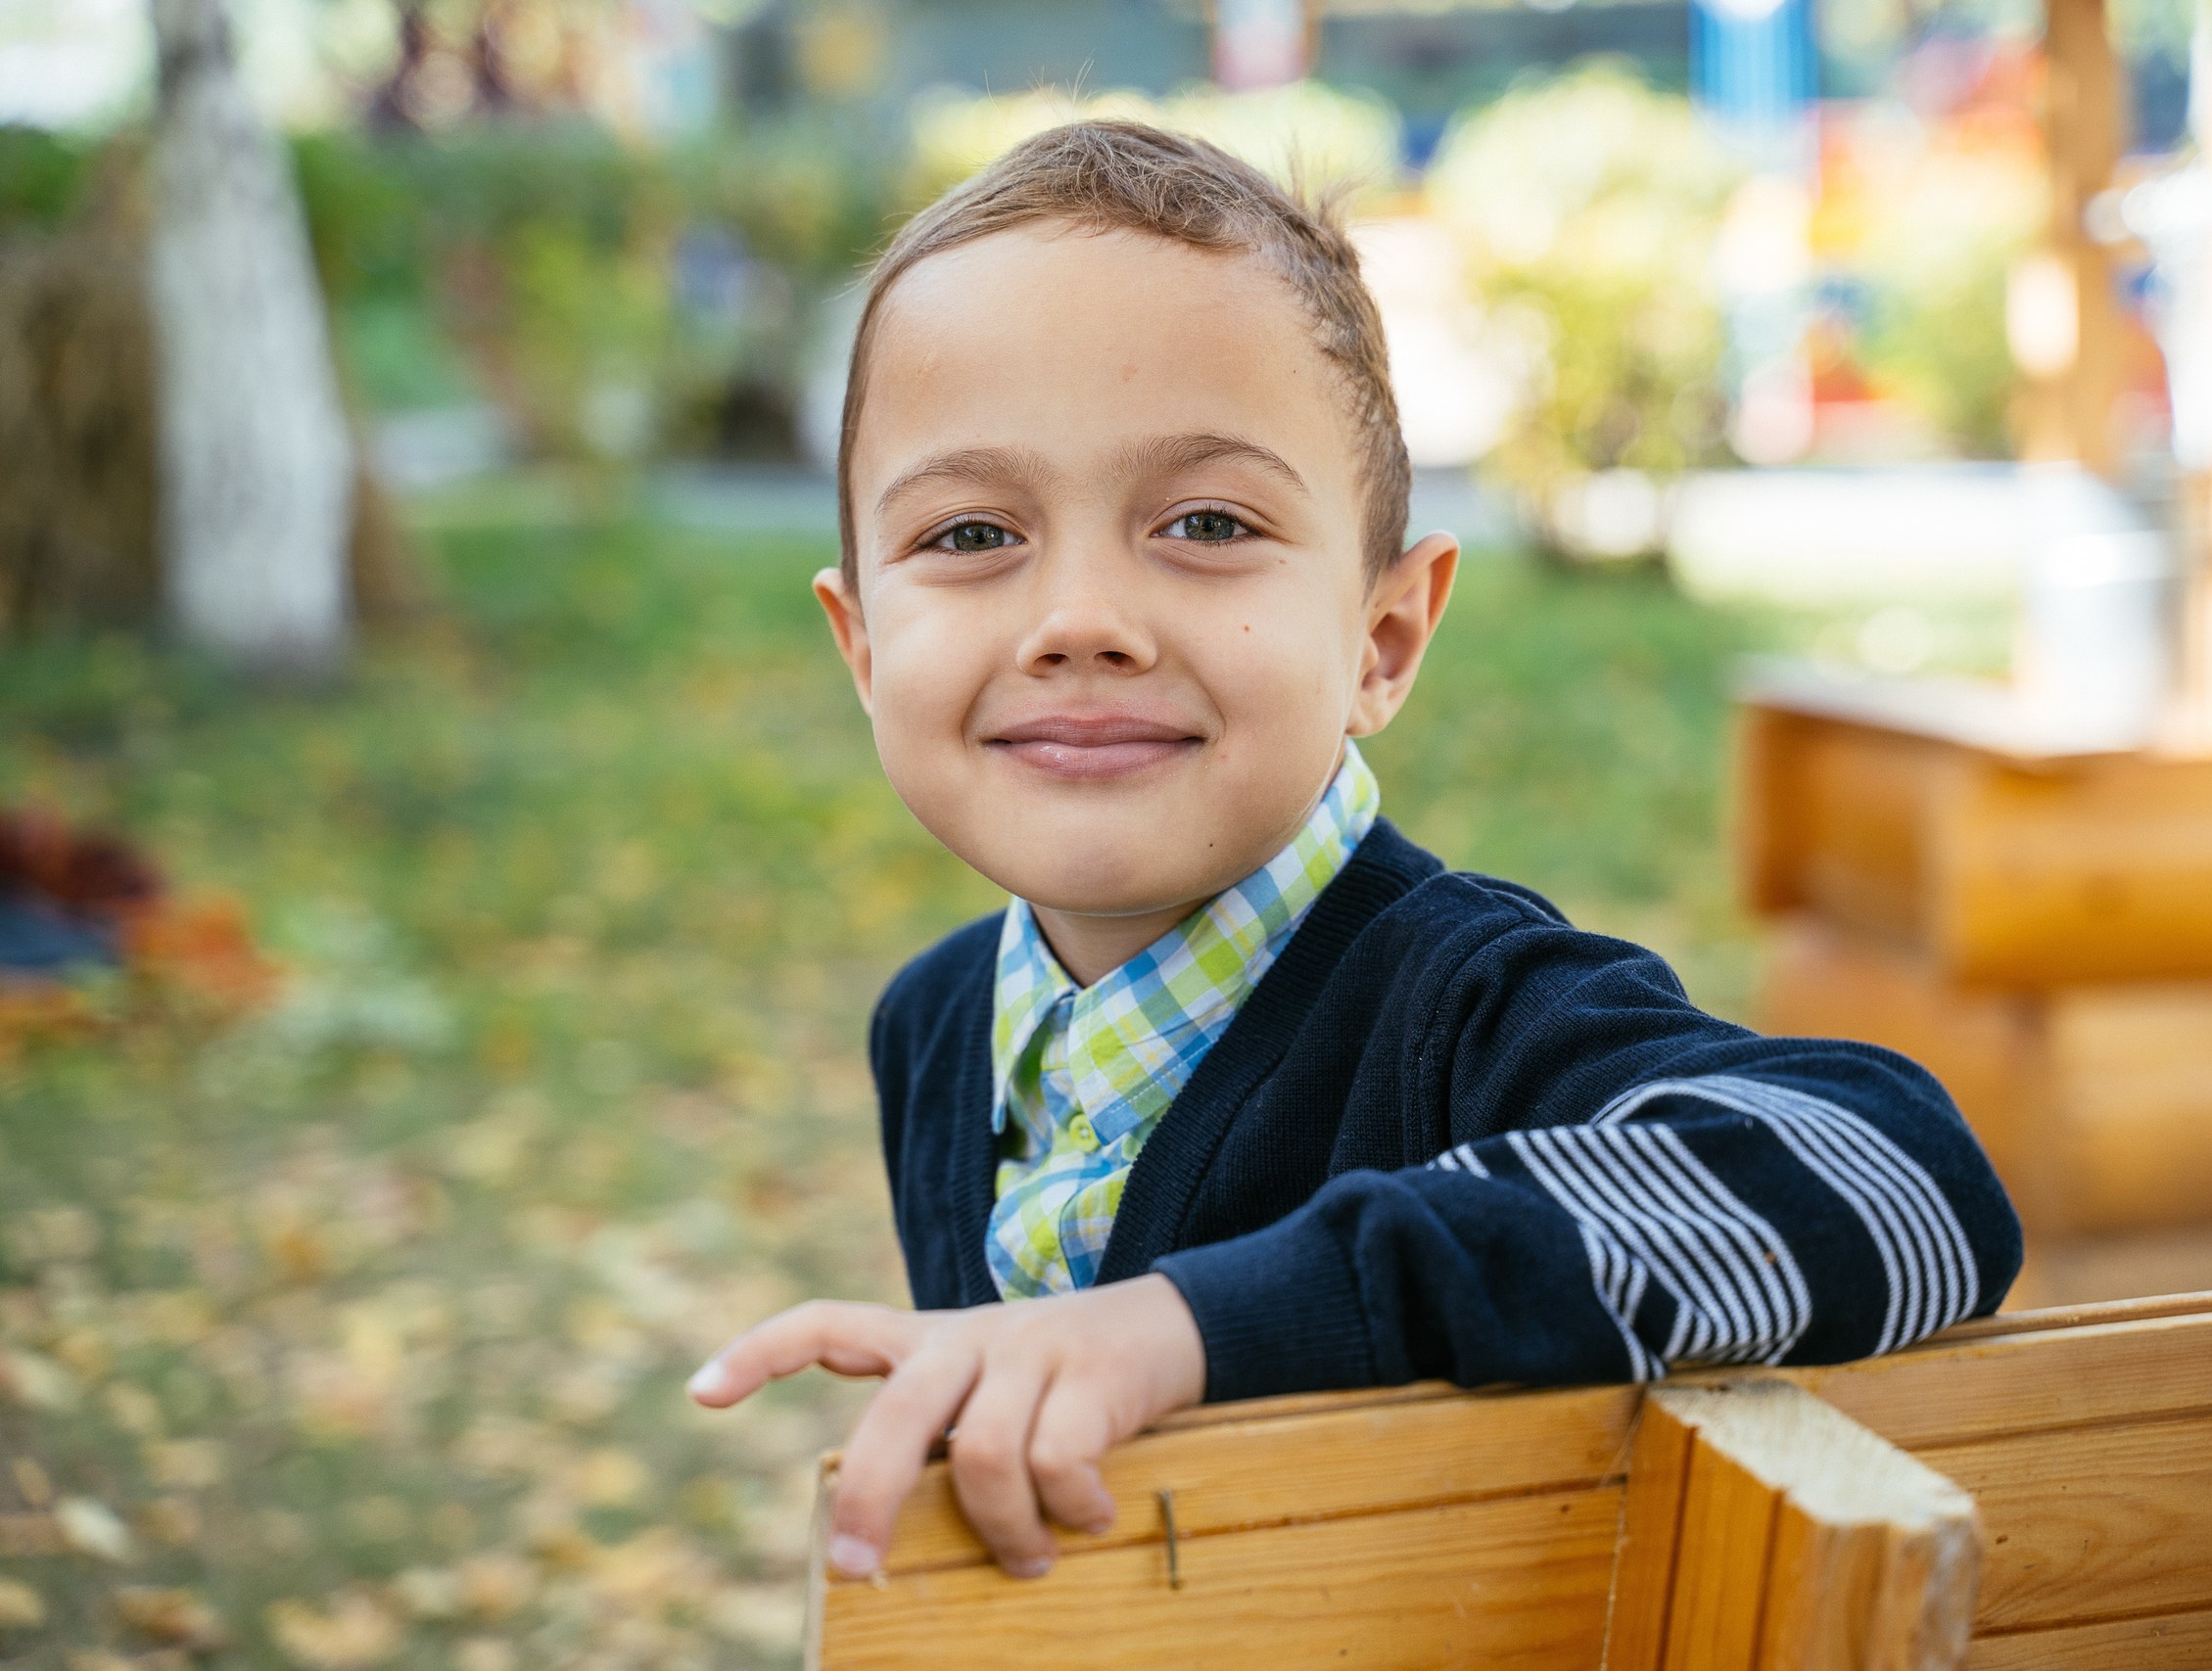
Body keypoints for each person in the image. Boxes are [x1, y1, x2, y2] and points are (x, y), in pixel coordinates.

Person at [684, 119, 2020, 1586]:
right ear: (863, 646)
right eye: (970, 533)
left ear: (1382, 636)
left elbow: (1901, 1178)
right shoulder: (935, 1034)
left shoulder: (1458, 1010)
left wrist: (1190, 1325)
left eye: (1203, 521)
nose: (1079, 616)